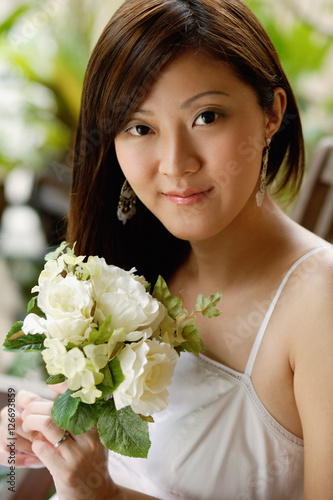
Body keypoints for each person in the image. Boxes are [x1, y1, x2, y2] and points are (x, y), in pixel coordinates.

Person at [1, 0, 333, 498]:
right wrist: (50, 438)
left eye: (206, 116)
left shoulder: (318, 305)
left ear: (272, 114)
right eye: (140, 128)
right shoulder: (132, 271)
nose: (175, 163)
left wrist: (104, 494)